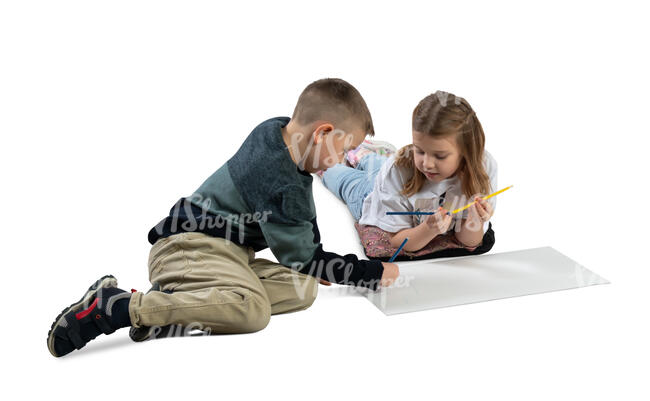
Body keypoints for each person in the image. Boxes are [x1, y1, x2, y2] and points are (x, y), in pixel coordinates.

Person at [47, 78, 400, 358]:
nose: (338, 162)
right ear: (322, 133)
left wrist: (313, 265)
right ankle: (119, 306)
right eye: (342, 150)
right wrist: (371, 273)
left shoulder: (275, 131)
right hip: (187, 247)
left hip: (226, 254)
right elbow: (305, 253)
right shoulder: (281, 181)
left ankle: (175, 304)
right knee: (252, 311)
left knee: (303, 288)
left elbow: (303, 248)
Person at [321, 91, 498, 253]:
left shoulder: (483, 167)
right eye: (419, 150)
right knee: (329, 169)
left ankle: (363, 153)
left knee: (376, 164)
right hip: (368, 193)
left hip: (388, 175)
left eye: (440, 156)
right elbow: (397, 240)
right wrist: (429, 230)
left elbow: (468, 241)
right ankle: (359, 153)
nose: (427, 164)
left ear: (466, 152)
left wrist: (476, 218)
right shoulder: (397, 169)